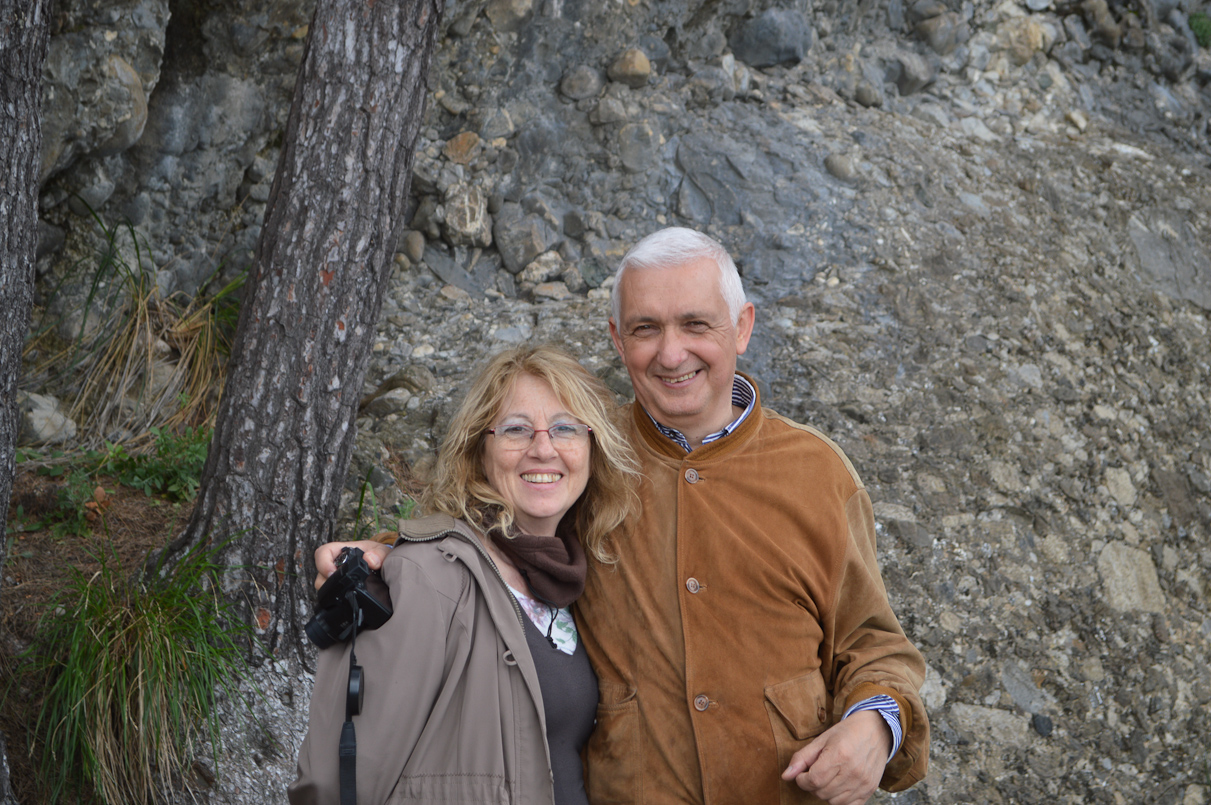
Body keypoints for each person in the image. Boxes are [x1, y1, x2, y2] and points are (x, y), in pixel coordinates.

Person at [316, 227, 930, 805]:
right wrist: (389, 554)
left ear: (742, 326)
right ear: (617, 339)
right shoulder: (589, 455)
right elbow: (489, 523)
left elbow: (872, 644)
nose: (671, 352)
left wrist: (874, 728)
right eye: (646, 328)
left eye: (696, 324)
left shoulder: (818, 473)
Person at [289, 345, 640, 805]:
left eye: (565, 428)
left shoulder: (572, 578)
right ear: (479, 451)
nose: (543, 448)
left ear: (593, 447)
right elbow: (337, 784)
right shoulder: (430, 577)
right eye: (516, 429)